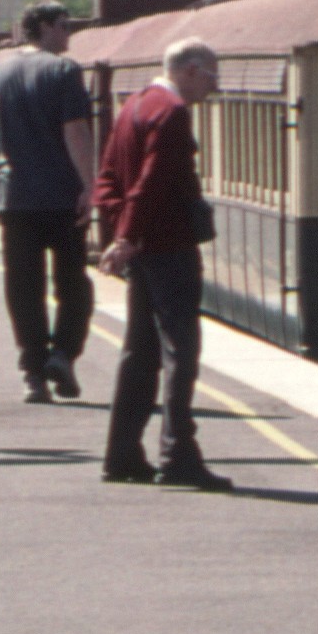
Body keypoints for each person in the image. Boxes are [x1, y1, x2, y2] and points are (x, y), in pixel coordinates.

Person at [94, 38, 227, 489]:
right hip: (170, 248)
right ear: (189, 70)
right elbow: (147, 185)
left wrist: (123, 233)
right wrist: (129, 236)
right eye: (212, 76)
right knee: (180, 352)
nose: (215, 86)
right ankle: (178, 457)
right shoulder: (170, 113)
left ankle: (122, 455)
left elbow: (108, 180)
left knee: (140, 353)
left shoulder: (133, 107)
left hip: (147, 249)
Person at [0, 0, 98, 403]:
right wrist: (90, 186)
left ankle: (32, 373)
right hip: (61, 198)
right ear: (47, 28)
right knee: (73, 284)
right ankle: (64, 355)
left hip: (15, 199)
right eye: (65, 26)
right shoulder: (64, 70)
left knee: (23, 287)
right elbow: (76, 132)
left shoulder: (0, 72)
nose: (69, 34)